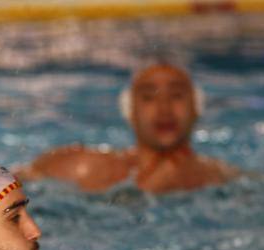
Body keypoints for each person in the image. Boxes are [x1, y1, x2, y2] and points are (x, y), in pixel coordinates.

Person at [17, 63, 237, 193]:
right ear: (129, 111)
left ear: (197, 108)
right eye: (149, 97)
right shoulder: (81, 167)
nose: (164, 109)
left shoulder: (220, 177)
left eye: (177, 96)